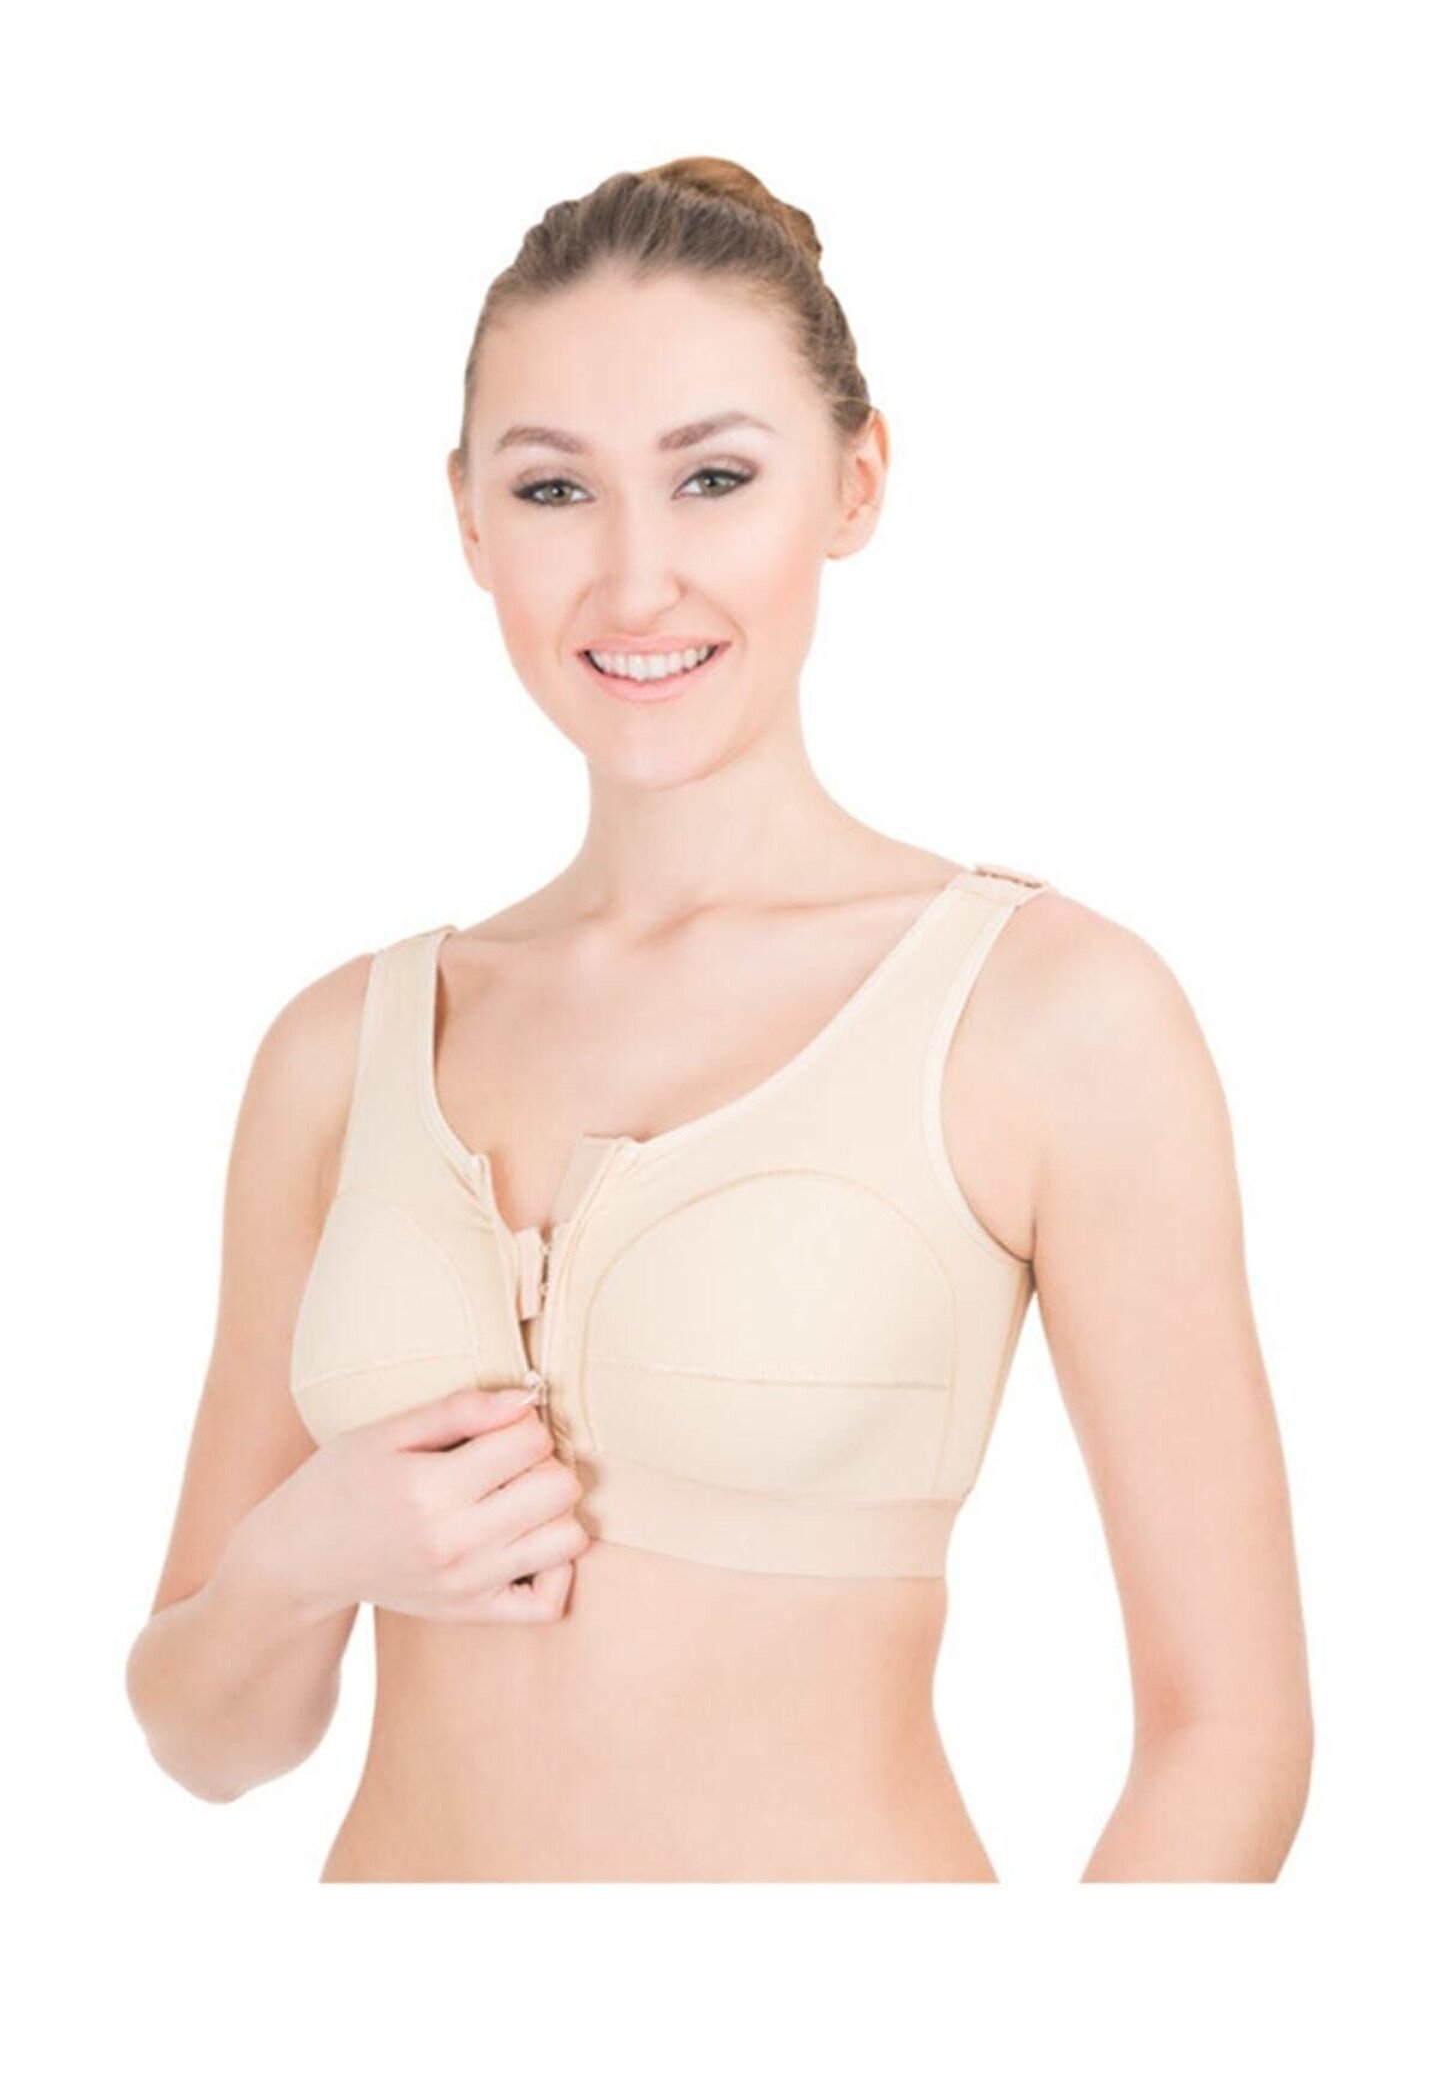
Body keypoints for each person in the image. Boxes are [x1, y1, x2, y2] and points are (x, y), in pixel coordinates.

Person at [124, 157, 1313, 1881]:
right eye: (554, 490)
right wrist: (304, 1556)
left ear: (855, 481)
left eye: (713, 478)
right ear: (468, 521)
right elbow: (204, 1737)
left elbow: (1232, 1732)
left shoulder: (1051, 1017)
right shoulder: (338, 1049)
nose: (634, 583)